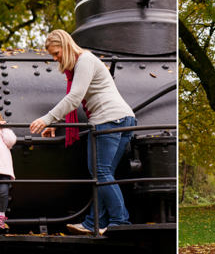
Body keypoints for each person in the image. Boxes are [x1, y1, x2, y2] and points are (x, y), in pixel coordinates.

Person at [28, 29, 135, 235]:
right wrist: (55, 121)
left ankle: (120, 222)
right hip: (123, 119)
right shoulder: (85, 62)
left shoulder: (84, 60)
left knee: (100, 173)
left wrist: (46, 118)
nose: (55, 58)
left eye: (56, 53)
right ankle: (94, 222)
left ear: (66, 46)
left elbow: (75, 97)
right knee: (105, 174)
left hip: (108, 120)